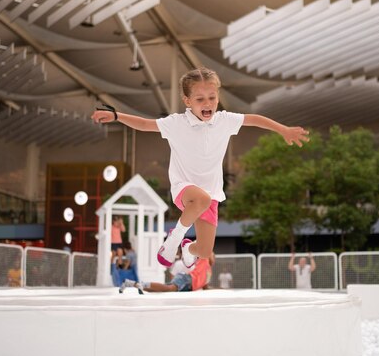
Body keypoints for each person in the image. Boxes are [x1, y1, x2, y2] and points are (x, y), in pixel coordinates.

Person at [92, 67, 309, 269]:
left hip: (211, 193)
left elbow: (253, 119)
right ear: (187, 100)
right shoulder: (177, 123)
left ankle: (187, 247)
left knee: (204, 252)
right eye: (200, 99)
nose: (208, 103)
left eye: (212, 98)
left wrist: (283, 130)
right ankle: (173, 239)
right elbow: (145, 124)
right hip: (184, 188)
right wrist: (116, 116)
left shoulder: (225, 120)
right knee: (201, 199)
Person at [120, 244, 214, 293]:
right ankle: (142, 284)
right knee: (167, 288)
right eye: (213, 255)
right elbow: (206, 250)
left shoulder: (209, 271)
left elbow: (204, 286)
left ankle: (132, 283)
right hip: (187, 279)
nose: (214, 256)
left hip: (188, 286)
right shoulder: (204, 260)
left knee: (159, 290)